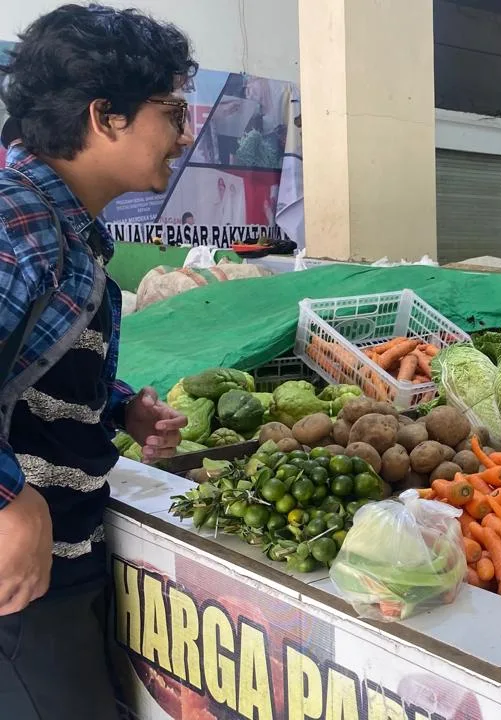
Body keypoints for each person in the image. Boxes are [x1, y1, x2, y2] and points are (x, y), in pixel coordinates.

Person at [0, 5, 192, 718]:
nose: (184, 131)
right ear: (105, 116)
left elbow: (27, 360)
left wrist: (114, 405)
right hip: (21, 594)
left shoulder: (64, 227)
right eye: (171, 110)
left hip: (60, 564)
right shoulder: (17, 222)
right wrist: (8, 501)